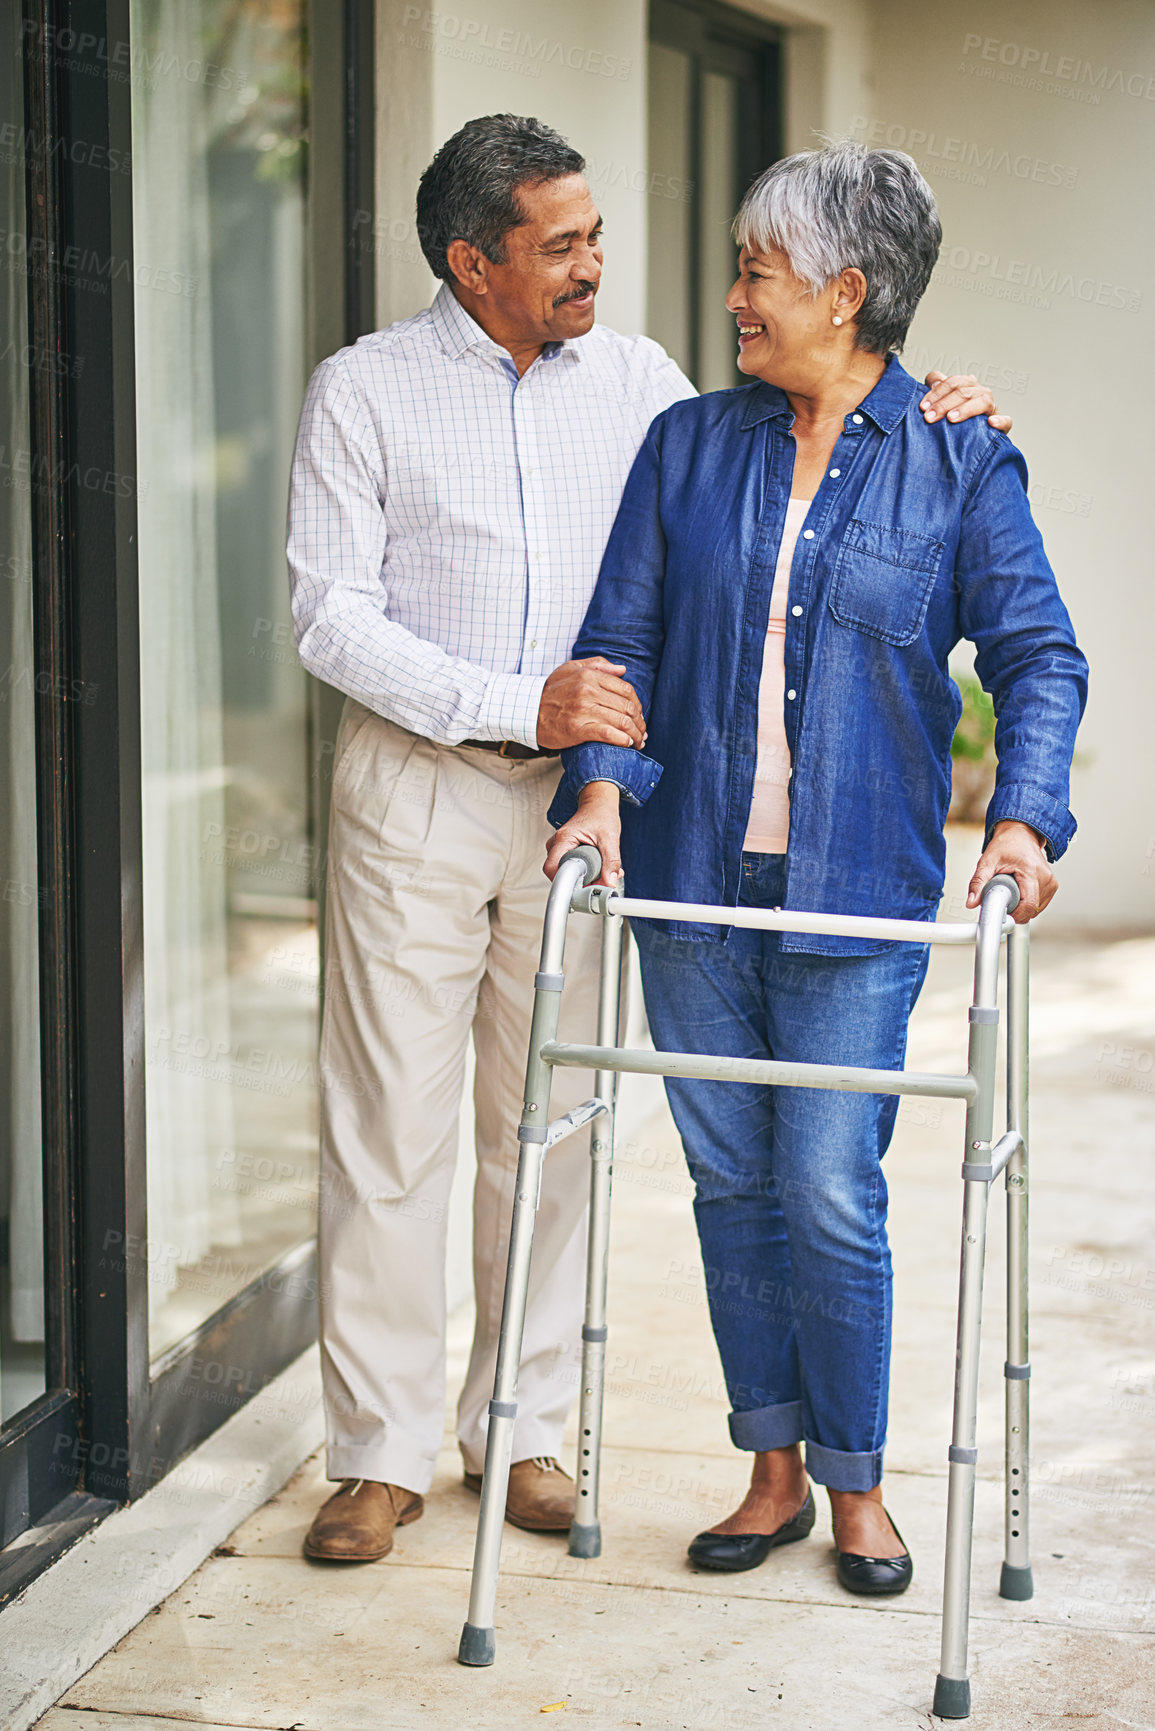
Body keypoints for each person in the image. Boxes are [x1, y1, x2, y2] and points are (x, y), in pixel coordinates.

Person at [288, 114, 1010, 1566]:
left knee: (548, 1128)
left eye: (596, 234)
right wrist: (514, 702)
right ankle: (375, 1455)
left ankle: (527, 1429)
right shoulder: (364, 391)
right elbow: (328, 617)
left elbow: (787, 454)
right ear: (470, 260)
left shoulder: (641, 384)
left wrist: (937, 411)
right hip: (424, 792)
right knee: (389, 1135)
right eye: (561, 245)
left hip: (590, 811)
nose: (594, 265)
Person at [546, 140, 1086, 1595]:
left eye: (755, 273)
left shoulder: (960, 455)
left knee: (832, 1185)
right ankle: (770, 1468)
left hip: (857, 895)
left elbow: (1039, 657)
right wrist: (599, 794)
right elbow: (624, 643)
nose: (734, 296)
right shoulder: (690, 446)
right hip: (694, 889)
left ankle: (858, 1480)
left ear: (847, 293)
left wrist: (1024, 822)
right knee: (733, 1182)